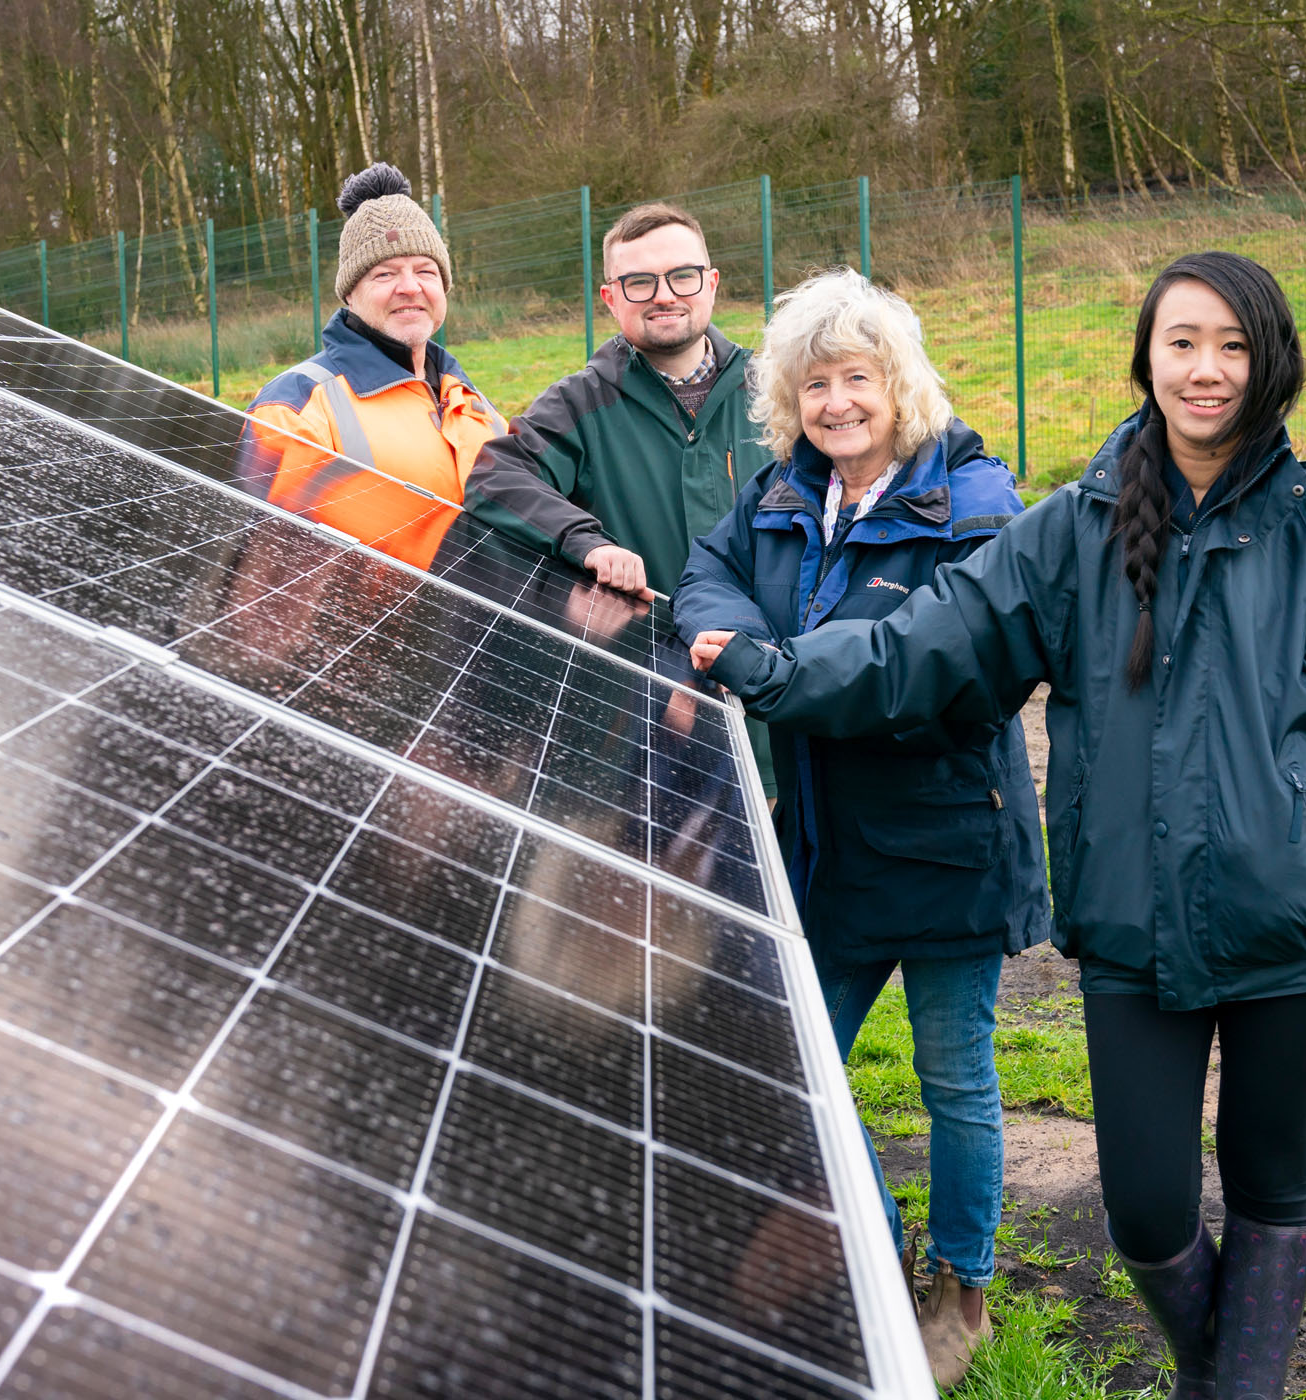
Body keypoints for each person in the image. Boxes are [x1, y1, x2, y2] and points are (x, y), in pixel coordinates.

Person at [688, 252, 1306, 1399]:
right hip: (1130, 931)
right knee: (1144, 1213)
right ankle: (1219, 1370)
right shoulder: (1072, 530)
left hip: (1293, 938)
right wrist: (778, 669)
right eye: (1183, 341)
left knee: (1271, 1189)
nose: (1207, 369)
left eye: (1234, 345)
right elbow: (923, 645)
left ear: (1270, 360)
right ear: (1146, 355)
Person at [673, 268, 1049, 1388]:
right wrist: (741, 641)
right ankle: (880, 1245)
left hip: (947, 839)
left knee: (955, 1077)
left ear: (901, 385)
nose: (836, 402)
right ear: (789, 401)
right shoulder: (784, 495)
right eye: (814, 383)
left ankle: (963, 1287)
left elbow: (940, 664)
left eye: (856, 377)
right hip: (825, 843)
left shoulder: (976, 506)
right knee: (804, 1077)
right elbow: (708, 575)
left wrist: (774, 672)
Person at [462, 201, 778, 786]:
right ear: (611, 298)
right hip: (641, 717)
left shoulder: (777, 396)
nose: (664, 294)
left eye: (682, 275)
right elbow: (495, 478)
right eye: (639, 282)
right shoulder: (580, 404)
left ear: (711, 284)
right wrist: (583, 541)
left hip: (777, 704)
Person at [243, 163, 505, 565]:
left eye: (425, 271)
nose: (410, 287)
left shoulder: (472, 403)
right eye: (385, 274)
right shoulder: (292, 408)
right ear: (350, 293)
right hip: (363, 625)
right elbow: (264, 570)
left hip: (478, 625)